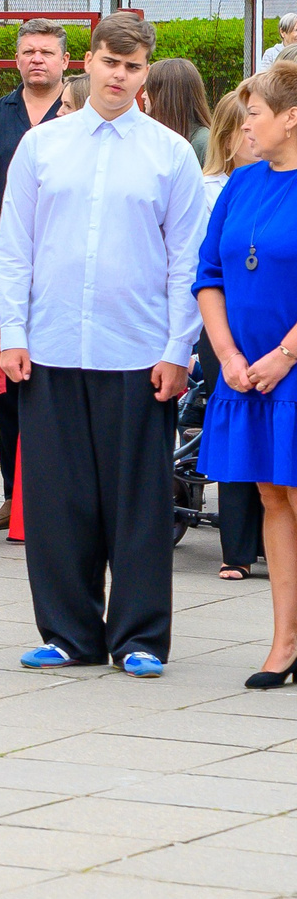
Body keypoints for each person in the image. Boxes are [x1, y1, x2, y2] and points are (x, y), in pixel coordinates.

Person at [0, 15, 200, 678]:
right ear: (88, 60)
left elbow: (185, 263)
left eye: (132, 66)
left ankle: (139, 635)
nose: (118, 75)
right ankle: (69, 631)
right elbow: (16, 248)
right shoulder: (43, 147)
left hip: (139, 352)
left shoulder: (171, 154)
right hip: (51, 345)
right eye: (110, 61)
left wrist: (178, 346)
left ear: (146, 73)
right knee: (57, 500)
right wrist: (13, 333)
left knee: (138, 502)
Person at [0, 18, 70, 516]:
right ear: (16, 59)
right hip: (5, 270)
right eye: (28, 51)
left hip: (63, 271)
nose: (37, 59)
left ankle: (58, 498)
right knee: (8, 389)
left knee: (59, 385)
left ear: (64, 61)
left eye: (46, 52)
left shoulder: (77, 116)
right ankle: (13, 497)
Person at [200, 91, 266, 582]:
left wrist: (285, 353)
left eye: (255, 118)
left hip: (282, 347)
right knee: (242, 439)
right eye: (240, 124)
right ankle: (238, 548)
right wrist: (226, 351)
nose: (247, 130)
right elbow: (208, 270)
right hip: (230, 340)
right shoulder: (235, 184)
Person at [147, 56, 212, 159]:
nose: (143, 96)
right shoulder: (156, 137)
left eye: (149, 90)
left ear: (166, 96)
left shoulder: (203, 143)